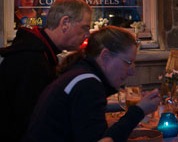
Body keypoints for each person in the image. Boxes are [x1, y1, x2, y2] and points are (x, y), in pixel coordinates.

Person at [22, 26, 160, 142]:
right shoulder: (87, 84)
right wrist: (139, 111)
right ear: (105, 57)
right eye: (128, 62)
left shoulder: (80, 75)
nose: (131, 72)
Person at [0, 0, 92, 142]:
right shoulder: (32, 59)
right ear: (65, 23)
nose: (87, 34)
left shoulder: (40, 51)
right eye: (85, 28)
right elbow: (32, 122)